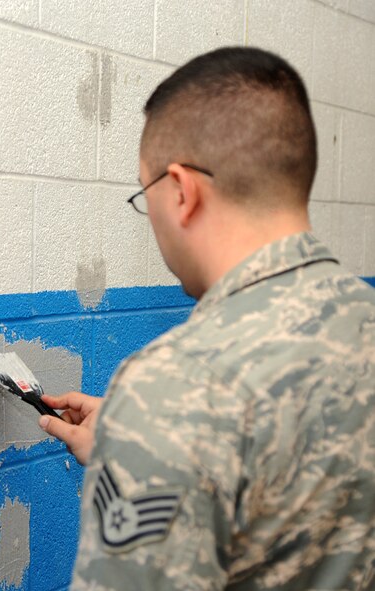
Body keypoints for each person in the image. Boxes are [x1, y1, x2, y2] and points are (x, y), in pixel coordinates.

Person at [38, 46, 375, 590]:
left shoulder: (174, 388)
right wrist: (141, 447)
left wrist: (151, 427)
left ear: (182, 191)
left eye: (144, 195)